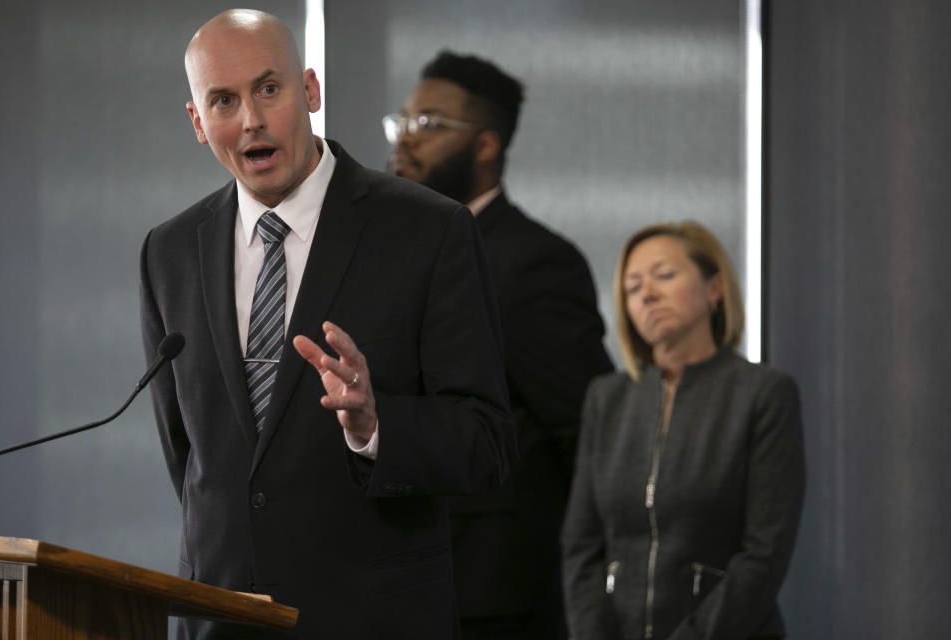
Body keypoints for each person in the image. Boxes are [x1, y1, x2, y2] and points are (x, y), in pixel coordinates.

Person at [140, 10, 516, 639]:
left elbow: (488, 441)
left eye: (269, 89)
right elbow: (190, 457)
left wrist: (376, 426)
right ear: (198, 123)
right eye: (224, 100)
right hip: (220, 621)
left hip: (371, 618)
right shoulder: (169, 251)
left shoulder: (429, 231)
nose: (252, 120)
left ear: (309, 91)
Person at [386, 51, 613, 639]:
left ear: (485, 147)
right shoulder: (393, 255)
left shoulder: (535, 263)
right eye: (404, 121)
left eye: (429, 125)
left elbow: (587, 433)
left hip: (495, 593)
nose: (406, 139)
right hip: (393, 580)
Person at [562, 221, 805, 640]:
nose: (647, 294)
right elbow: (581, 546)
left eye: (664, 275)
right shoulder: (607, 399)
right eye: (632, 286)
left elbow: (764, 553)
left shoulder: (763, 394)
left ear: (714, 289)